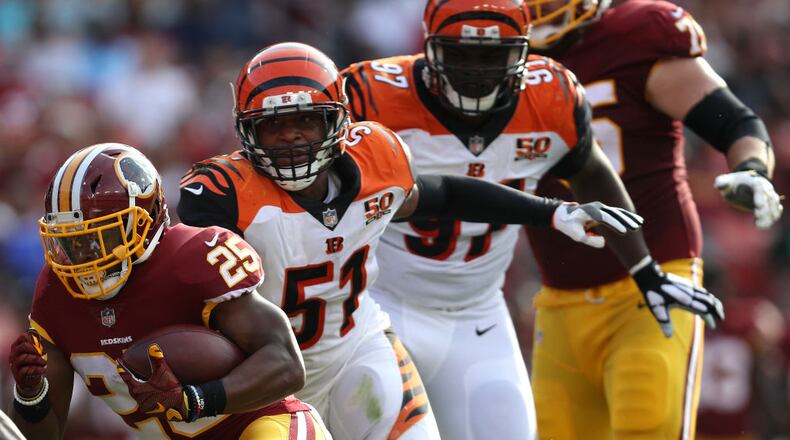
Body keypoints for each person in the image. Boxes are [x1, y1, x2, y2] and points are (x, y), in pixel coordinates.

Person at [177, 41, 649, 440]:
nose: (291, 138)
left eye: (306, 120)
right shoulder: (220, 194)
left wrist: (551, 211)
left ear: (337, 122)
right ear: (246, 131)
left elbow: (441, 194)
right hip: (262, 374)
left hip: (353, 349)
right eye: (273, 125)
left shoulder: (377, 161)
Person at [340, 0, 724, 438]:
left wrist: (644, 270)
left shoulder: (551, 96)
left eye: (494, 55)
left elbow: (592, 174)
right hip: (380, 307)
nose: (477, 71)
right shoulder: (371, 96)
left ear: (523, 53)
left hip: (477, 316)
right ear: (429, 49)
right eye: (461, 54)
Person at [521, 0, 784, 438]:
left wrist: (752, 169)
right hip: (559, 297)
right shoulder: (498, 54)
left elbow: (735, 121)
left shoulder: (636, 36)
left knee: (648, 428)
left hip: (654, 281)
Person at [7, 143, 331, 440]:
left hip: (258, 425)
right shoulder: (56, 293)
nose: (84, 256)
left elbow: (287, 364)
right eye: (71, 242)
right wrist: (31, 393)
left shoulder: (194, 257)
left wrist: (195, 400)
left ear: (144, 222)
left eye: (100, 238)